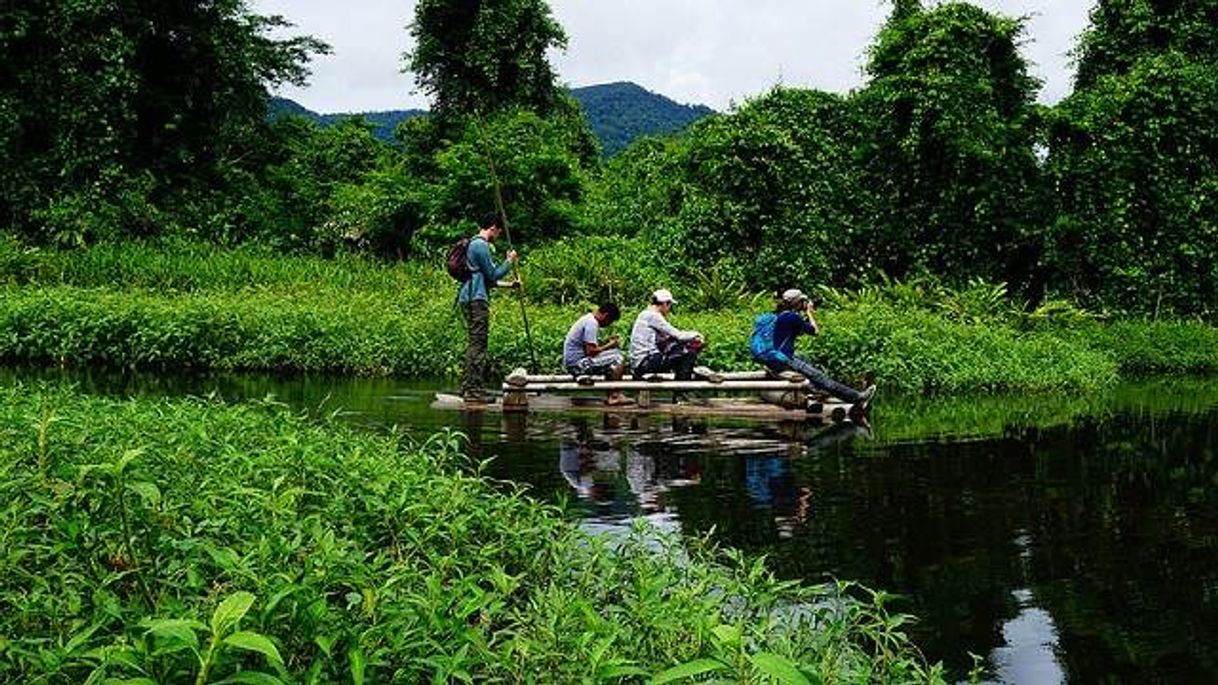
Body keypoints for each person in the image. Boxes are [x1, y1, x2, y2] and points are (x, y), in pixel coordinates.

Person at [753, 288, 875, 407]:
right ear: (797, 302)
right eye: (802, 301)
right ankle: (858, 397)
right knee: (820, 377)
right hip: (783, 359)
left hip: (771, 359)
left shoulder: (778, 315)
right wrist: (809, 312)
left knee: (805, 358)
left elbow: (794, 330)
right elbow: (815, 331)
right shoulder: (792, 317)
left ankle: (816, 390)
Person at [458, 212, 518, 404]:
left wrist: (510, 286)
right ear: (493, 227)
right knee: (478, 343)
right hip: (476, 300)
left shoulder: (476, 245)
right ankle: (473, 391)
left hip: (472, 295)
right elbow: (492, 275)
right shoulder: (480, 245)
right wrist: (509, 261)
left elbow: (486, 280)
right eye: (498, 232)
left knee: (475, 342)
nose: (498, 236)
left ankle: (469, 387)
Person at [563, 302, 633, 405]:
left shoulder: (588, 319)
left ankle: (612, 395)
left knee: (614, 355)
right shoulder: (592, 323)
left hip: (576, 362)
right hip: (578, 365)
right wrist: (609, 345)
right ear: (606, 316)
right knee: (618, 357)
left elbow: (591, 348)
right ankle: (615, 396)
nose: (609, 324)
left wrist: (606, 344)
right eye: (610, 321)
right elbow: (591, 351)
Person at [629, 289, 704, 381]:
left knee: (678, 349)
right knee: (689, 354)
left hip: (640, 362)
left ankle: (680, 387)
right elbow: (679, 335)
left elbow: (665, 338)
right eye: (669, 305)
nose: (669, 309)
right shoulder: (654, 316)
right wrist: (696, 334)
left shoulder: (644, 314)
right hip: (646, 361)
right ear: (665, 304)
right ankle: (682, 390)